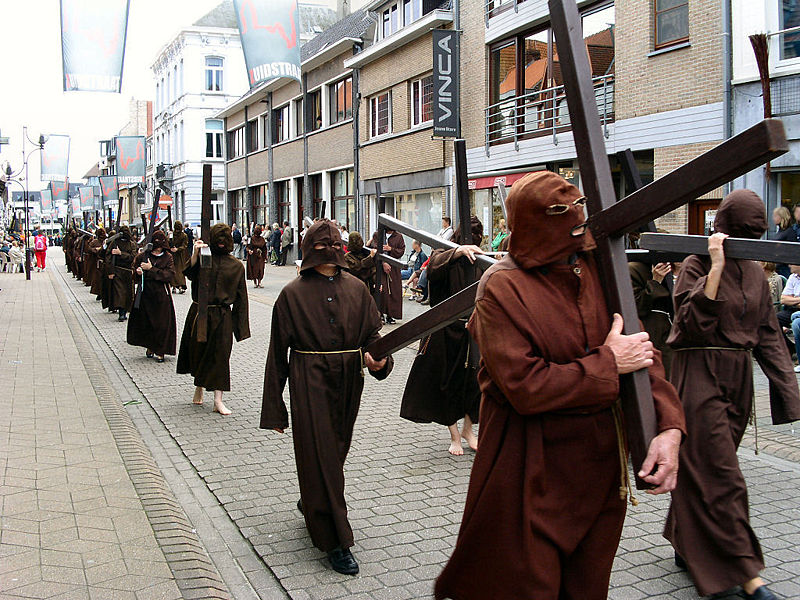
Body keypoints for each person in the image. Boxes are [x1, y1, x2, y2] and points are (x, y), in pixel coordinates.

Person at [435, 171, 685, 600]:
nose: (577, 226)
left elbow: (642, 352)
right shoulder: (501, 287)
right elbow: (525, 386)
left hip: (600, 473)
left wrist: (668, 426)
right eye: (560, 217)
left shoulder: (601, 269)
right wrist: (608, 363)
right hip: (529, 472)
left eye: (578, 214)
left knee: (587, 589)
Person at [664, 190, 800, 600]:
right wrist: (717, 268)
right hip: (698, 372)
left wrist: (789, 393)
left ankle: (684, 541)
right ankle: (744, 577)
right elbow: (686, 325)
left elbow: (769, 337)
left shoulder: (757, 275)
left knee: (703, 471)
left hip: (738, 380)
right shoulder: (695, 263)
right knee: (722, 477)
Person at [260, 219, 393, 576]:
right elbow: (276, 354)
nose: (327, 257)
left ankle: (313, 500)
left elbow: (372, 336)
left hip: (349, 380)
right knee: (320, 454)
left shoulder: (356, 288)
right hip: (308, 380)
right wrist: (275, 407)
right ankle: (335, 540)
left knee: (334, 453)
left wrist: (379, 360)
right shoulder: (291, 294)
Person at [400, 217, 484, 456]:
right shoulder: (445, 253)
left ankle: (468, 430)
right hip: (445, 330)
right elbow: (434, 264)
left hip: (471, 328)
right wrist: (457, 252)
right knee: (447, 382)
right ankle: (455, 436)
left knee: (474, 382)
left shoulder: (480, 260)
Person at [177, 223, 250, 415]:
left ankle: (218, 399)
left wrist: (240, 328)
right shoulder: (203, 259)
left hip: (221, 316)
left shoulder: (235, 266)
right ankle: (199, 386)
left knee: (220, 357)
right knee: (198, 352)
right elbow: (188, 273)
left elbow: (242, 298)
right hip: (200, 313)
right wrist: (195, 253)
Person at [127, 230, 177, 363]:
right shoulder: (143, 256)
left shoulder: (167, 257)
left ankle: (160, 350)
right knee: (147, 322)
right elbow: (134, 272)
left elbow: (169, 275)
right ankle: (150, 346)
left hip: (161, 294)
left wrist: (151, 269)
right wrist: (138, 272)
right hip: (146, 293)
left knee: (161, 323)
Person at [629, 260, 679, 378]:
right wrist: (655, 282)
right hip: (655, 345)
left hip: (685, 348)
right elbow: (633, 309)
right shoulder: (636, 270)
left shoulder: (695, 269)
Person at [367, 227, 405, 323]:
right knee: (382, 290)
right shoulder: (377, 235)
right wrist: (383, 262)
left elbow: (401, 250)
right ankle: (380, 314)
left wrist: (391, 249)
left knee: (393, 291)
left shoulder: (399, 236)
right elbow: (374, 249)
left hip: (394, 268)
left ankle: (390, 315)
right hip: (380, 267)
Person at [108, 225, 137, 322]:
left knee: (128, 293)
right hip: (117, 270)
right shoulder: (114, 243)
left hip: (128, 271)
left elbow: (132, 257)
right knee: (119, 293)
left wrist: (121, 253)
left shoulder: (131, 244)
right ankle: (121, 312)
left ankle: (125, 311)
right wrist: (110, 271)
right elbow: (108, 257)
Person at [771, 206, 794, 278]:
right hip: (778, 266)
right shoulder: (780, 232)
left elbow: (792, 251)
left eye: (775, 216)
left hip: (785, 268)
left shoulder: (790, 232)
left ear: (782, 217)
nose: (773, 218)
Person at [88, 228, 107, 300]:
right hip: (97, 263)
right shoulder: (94, 242)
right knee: (98, 279)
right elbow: (89, 249)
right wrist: (96, 250)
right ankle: (99, 293)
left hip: (105, 262)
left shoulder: (106, 241)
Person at [170, 221, 189, 294]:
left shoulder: (183, 236)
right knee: (173, 270)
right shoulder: (172, 235)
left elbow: (184, 245)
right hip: (173, 255)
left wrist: (177, 249)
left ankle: (180, 286)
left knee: (180, 271)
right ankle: (174, 286)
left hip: (180, 255)